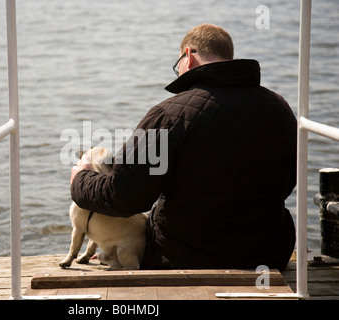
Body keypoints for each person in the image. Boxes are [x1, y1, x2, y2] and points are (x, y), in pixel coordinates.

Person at [70, 23, 296, 271]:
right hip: (269, 255)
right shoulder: (280, 109)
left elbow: (125, 196)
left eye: (178, 64)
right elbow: (289, 183)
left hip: (184, 257)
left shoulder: (167, 115)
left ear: (188, 56)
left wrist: (81, 178)